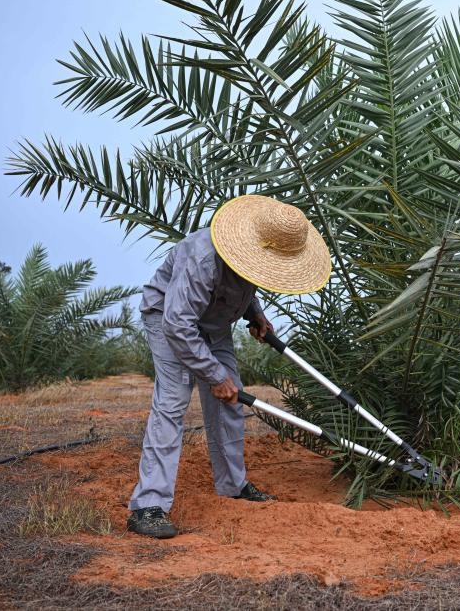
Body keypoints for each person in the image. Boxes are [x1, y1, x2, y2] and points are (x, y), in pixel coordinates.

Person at [127, 195, 332, 538]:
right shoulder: (202, 258)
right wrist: (213, 375)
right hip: (169, 319)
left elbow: (246, 277)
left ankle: (233, 486)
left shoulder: (255, 254)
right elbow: (178, 325)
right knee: (172, 403)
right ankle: (148, 505)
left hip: (215, 322)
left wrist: (255, 314)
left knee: (231, 400)